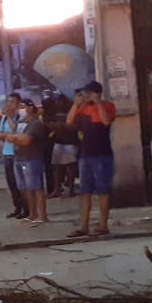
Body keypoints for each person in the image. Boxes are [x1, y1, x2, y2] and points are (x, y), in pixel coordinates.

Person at [66, 81, 115, 237]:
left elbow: (106, 121)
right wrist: (76, 104)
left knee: (102, 191)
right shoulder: (84, 108)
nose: (86, 96)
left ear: (97, 93)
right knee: (85, 192)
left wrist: (98, 102)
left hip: (102, 155)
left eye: (88, 93)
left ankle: (103, 225)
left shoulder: (108, 106)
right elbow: (69, 122)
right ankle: (84, 225)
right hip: (85, 155)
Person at [0, 99, 48, 225]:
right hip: (19, 157)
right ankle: (32, 214)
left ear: (30, 108)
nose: (21, 109)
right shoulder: (20, 122)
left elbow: (25, 140)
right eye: (19, 106)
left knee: (36, 187)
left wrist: (11, 137)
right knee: (25, 188)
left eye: (23, 106)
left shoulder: (35, 123)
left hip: (32, 158)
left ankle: (42, 215)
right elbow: (10, 136)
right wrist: (13, 137)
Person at [0, 92, 28, 219]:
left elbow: (16, 131)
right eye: (8, 101)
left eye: (12, 102)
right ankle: (17, 207)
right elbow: (1, 133)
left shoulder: (20, 117)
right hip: (7, 152)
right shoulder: (3, 118)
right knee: (11, 183)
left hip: (17, 154)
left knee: (20, 183)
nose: (9, 104)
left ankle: (26, 208)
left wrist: (9, 117)